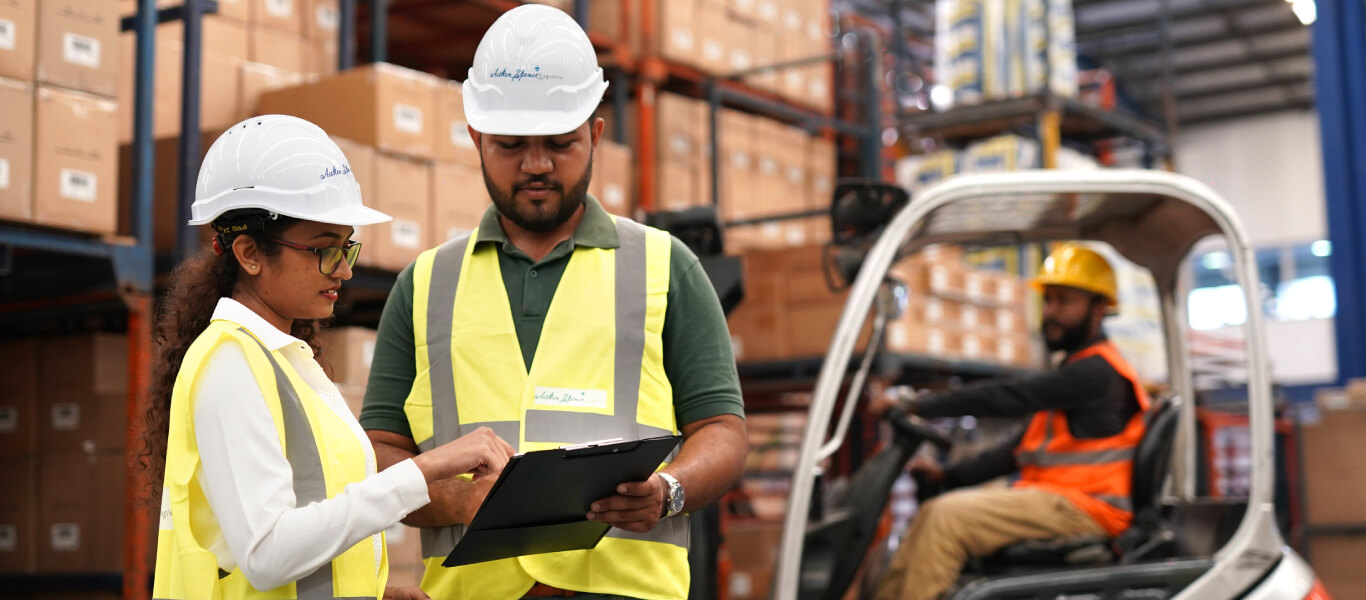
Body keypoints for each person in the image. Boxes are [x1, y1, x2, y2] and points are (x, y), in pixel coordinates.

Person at [358, 5, 748, 600]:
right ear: (476, 138)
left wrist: (668, 489)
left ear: (594, 133)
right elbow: (381, 456)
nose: (536, 164)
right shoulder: (425, 283)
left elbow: (721, 430)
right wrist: (462, 498)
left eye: (559, 144)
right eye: (511, 144)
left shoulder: (666, 267)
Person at [145, 115, 515, 600]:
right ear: (249, 253)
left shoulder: (285, 362)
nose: (342, 269)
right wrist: (423, 471)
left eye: (346, 248)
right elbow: (266, 554)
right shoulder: (229, 364)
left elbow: (306, 534)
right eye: (323, 249)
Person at [874, 244, 1152, 600]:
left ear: (1099, 309)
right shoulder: (1076, 369)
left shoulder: (1096, 372)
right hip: (1059, 500)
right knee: (930, 514)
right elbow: (1018, 450)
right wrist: (950, 477)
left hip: (1087, 508)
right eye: (1048, 301)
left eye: (1064, 301)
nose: (1051, 312)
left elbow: (1006, 395)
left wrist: (916, 404)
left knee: (947, 519)